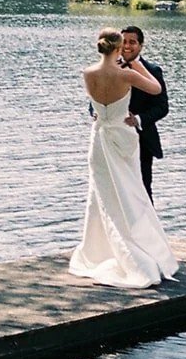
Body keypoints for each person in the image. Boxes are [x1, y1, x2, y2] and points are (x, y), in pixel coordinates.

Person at [70, 28, 179, 289]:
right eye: (124, 43)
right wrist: (135, 68)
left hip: (99, 138)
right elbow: (155, 88)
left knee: (101, 195)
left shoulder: (88, 73)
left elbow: (96, 105)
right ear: (118, 47)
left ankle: (100, 252)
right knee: (132, 195)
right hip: (123, 136)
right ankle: (140, 252)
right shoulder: (127, 74)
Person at [118, 26, 167, 207]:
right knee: (117, 188)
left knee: (143, 188)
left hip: (142, 140)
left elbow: (162, 107)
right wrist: (97, 113)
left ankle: (149, 233)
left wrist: (137, 119)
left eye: (132, 42)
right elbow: (95, 101)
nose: (127, 46)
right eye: (124, 42)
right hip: (114, 138)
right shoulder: (110, 67)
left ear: (141, 45)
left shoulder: (153, 70)